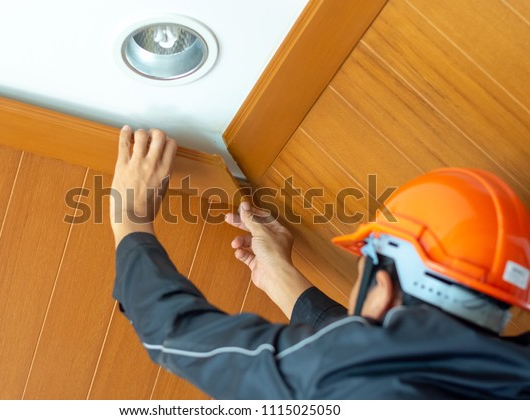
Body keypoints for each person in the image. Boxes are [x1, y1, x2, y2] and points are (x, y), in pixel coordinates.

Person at [110, 126, 530, 399]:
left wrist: (128, 218)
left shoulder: (338, 377)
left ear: (381, 290)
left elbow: (176, 335)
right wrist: (284, 283)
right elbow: (385, 360)